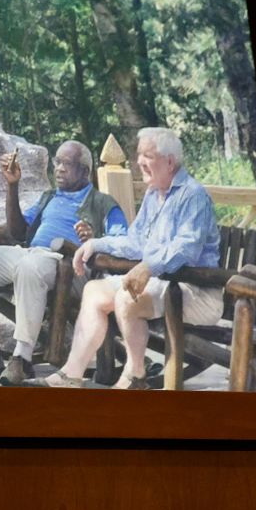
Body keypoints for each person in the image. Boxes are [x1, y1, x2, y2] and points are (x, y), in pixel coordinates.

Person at [33, 128, 221, 389]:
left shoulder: (193, 195)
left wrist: (148, 266)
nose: (139, 162)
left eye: (147, 155)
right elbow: (135, 242)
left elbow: (186, 247)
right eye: (138, 155)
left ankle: (136, 375)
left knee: (125, 295)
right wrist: (94, 244)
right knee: (94, 290)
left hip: (195, 292)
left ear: (169, 161)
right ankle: (72, 375)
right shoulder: (154, 195)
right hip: (165, 285)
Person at [0, 140, 128, 385]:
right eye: (57, 162)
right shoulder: (48, 198)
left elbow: (123, 241)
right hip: (32, 254)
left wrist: (96, 240)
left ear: (84, 171)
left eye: (66, 164)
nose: (58, 168)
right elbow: (18, 231)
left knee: (31, 266)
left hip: (69, 266)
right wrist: (12, 186)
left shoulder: (103, 203)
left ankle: (22, 358)